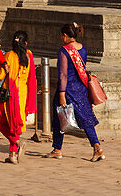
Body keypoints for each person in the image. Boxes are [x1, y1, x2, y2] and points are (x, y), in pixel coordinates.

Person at [45, 22, 104, 162]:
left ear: (65, 36)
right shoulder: (82, 49)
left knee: (59, 117)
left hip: (67, 89)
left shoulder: (64, 51)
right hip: (81, 88)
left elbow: (63, 75)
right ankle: (97, 147)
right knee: (86, 118)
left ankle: (57, 148)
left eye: (62, 36)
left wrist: (61, 94)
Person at [0, 30, 33, 164]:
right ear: (26, 43)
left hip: (10, 93)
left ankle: (17, 143)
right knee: (15, 124)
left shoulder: (9, 56)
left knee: (3, 123)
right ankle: (12, 154)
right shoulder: (29, 55)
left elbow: (0, 76)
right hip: (22, 92)